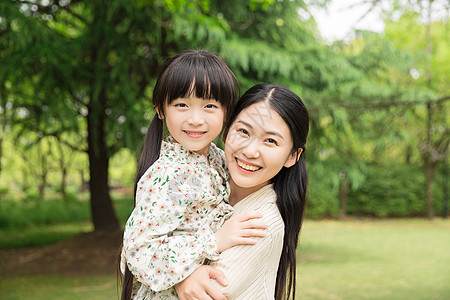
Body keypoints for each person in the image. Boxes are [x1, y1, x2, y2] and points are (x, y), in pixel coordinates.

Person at [120, 50, 267, 300]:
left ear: (227, 113)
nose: (196, 119)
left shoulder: (221, 159)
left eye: (209, 106)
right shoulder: (167, 174)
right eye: (181, 105)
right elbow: (139, 253)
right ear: (161, 110)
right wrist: (214, 240)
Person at [175, 83, 310, 300]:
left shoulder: (261, 223)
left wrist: (176, 276)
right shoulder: (200, 181)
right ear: (227, 131)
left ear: (292, 156)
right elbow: (133, 254)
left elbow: (204, 294)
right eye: (244, 131)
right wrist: (180, 275)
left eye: (270, 141)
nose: (249, 151)